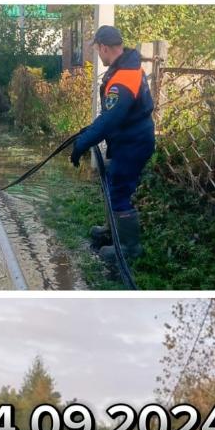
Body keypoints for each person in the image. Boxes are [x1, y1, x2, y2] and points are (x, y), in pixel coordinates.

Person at [69, 25, 156, 265]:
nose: (97, 54)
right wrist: (87, 135)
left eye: (97, 49)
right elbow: (110, 115)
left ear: (104, 47)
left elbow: (110, 119)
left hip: (133, 143)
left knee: (118, 191)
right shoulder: (124, 68)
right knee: (113, 184)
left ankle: (128, 247)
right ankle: (113, 232)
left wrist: (83, 143)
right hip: (129, 139)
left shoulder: (123, 77)